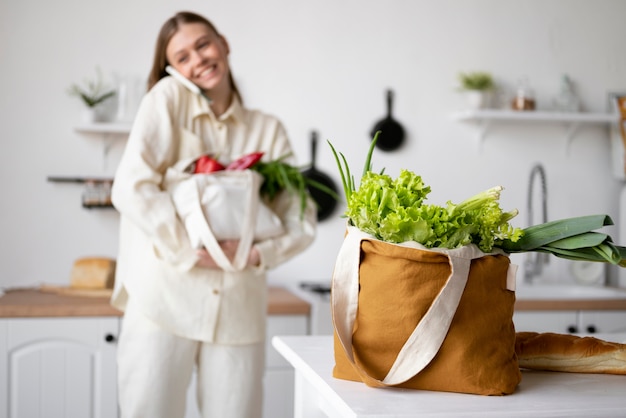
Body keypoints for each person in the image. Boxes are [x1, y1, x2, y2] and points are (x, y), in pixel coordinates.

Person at [110, 11, 316, 418]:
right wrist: (189, 250)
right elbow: (130, 187)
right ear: (171, 68)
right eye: (182, 56)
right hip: (163, 300)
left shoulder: (267, 130)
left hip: (238, 310)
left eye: (203, 44)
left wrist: (256, 254)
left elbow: (302, 218)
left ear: (223, 43)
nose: (198, 59)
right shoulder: (167, 98)